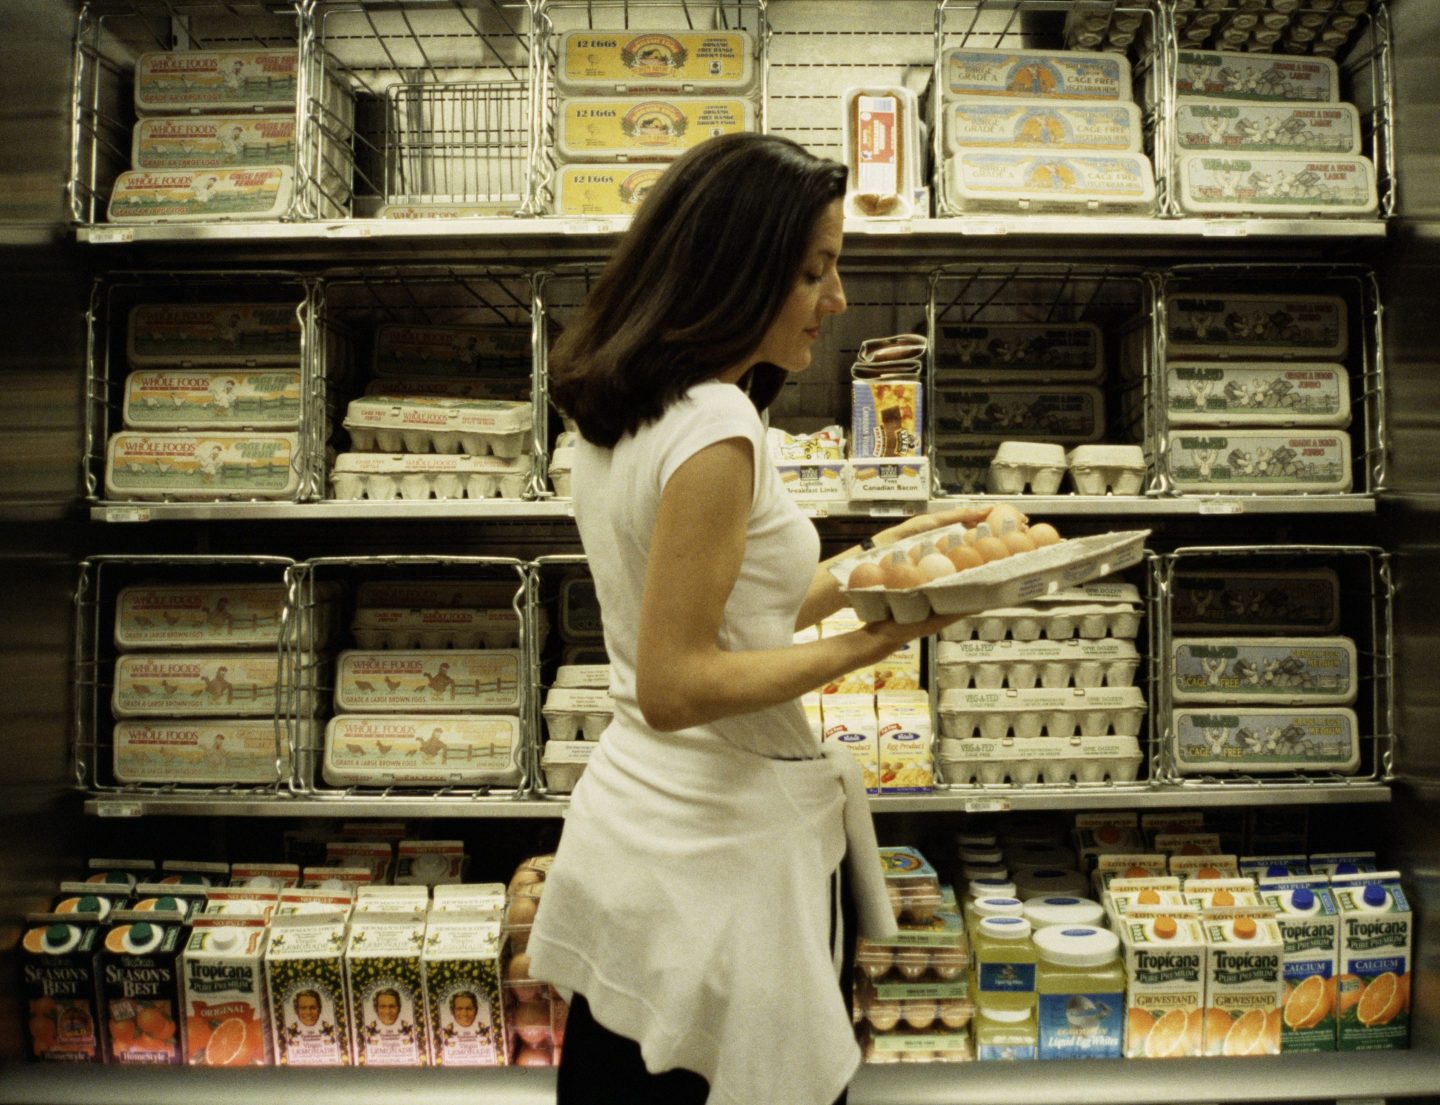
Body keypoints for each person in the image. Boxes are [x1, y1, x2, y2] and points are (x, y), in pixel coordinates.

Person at [527, 132, 990, 1105]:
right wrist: (882, 637)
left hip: (645, 836)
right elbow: (679, 683)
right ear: (742, 270)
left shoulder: (636, 409)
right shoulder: (719, 429)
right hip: (717, 860)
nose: (840, 298)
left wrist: (901, 549)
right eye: (817, 268)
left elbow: (742, 609)